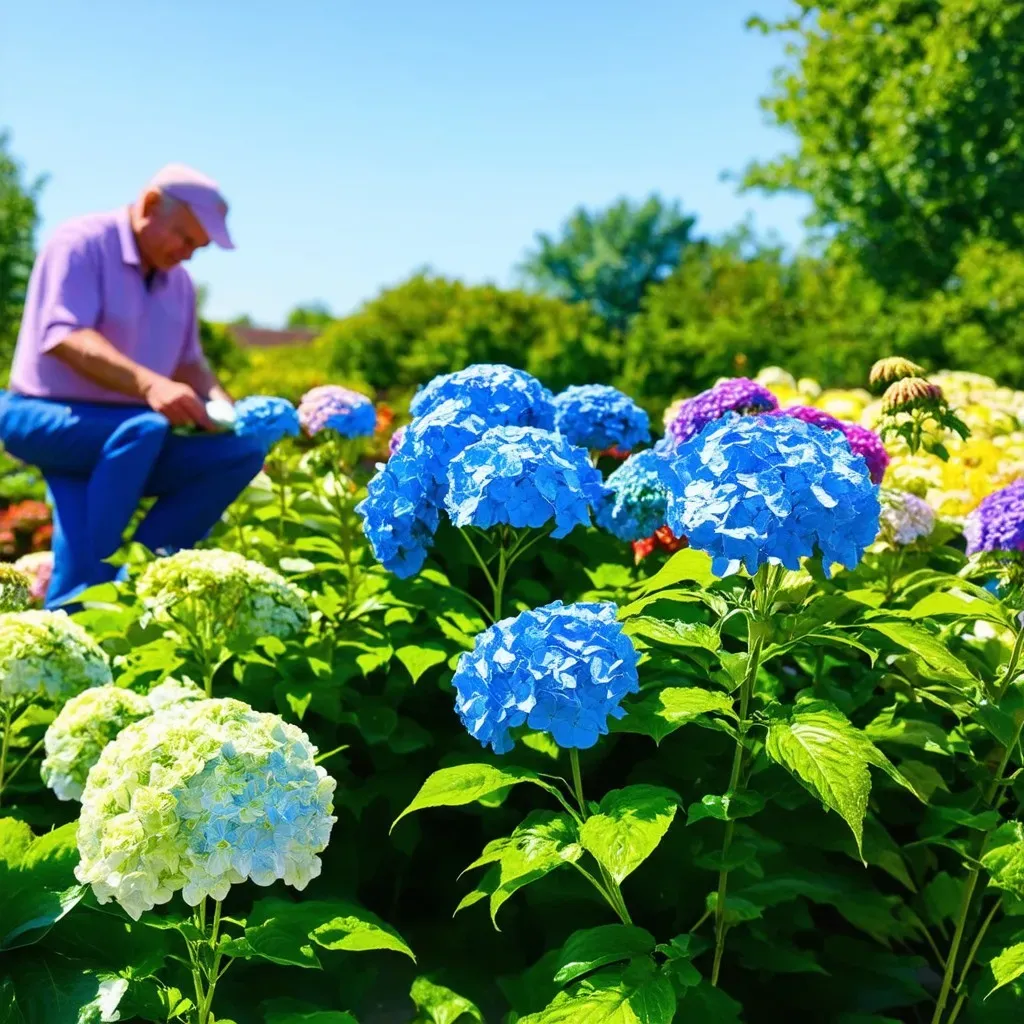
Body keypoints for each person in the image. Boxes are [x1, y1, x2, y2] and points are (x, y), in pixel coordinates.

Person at [0, 163, 266, 608]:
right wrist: (149, 385)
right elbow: (63, 335)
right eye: (185, 238)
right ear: (148, 206)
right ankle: (104, 578)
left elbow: (189, 363)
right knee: (144, 429)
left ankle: (142, 578)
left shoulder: (178, 283)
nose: (188, 254)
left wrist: (226, 411)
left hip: (124, 441)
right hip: (42, 417)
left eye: (198, 248)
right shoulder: (81, 242)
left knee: (239, 453)